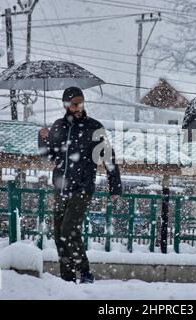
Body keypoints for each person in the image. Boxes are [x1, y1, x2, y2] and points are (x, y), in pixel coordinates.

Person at [38, 87, 122, 284]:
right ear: (66, 105)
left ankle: (84, 273)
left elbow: (108, 157)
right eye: (74, 104)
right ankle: (66, 279)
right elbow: (48, 156)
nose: (78, 107)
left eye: (81, 103)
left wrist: (115, 188)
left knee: (69, 230)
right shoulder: (58, 126)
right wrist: (41, 137)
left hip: (82, 188)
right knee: (59, 235)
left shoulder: (94, 127)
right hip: (60, 188)